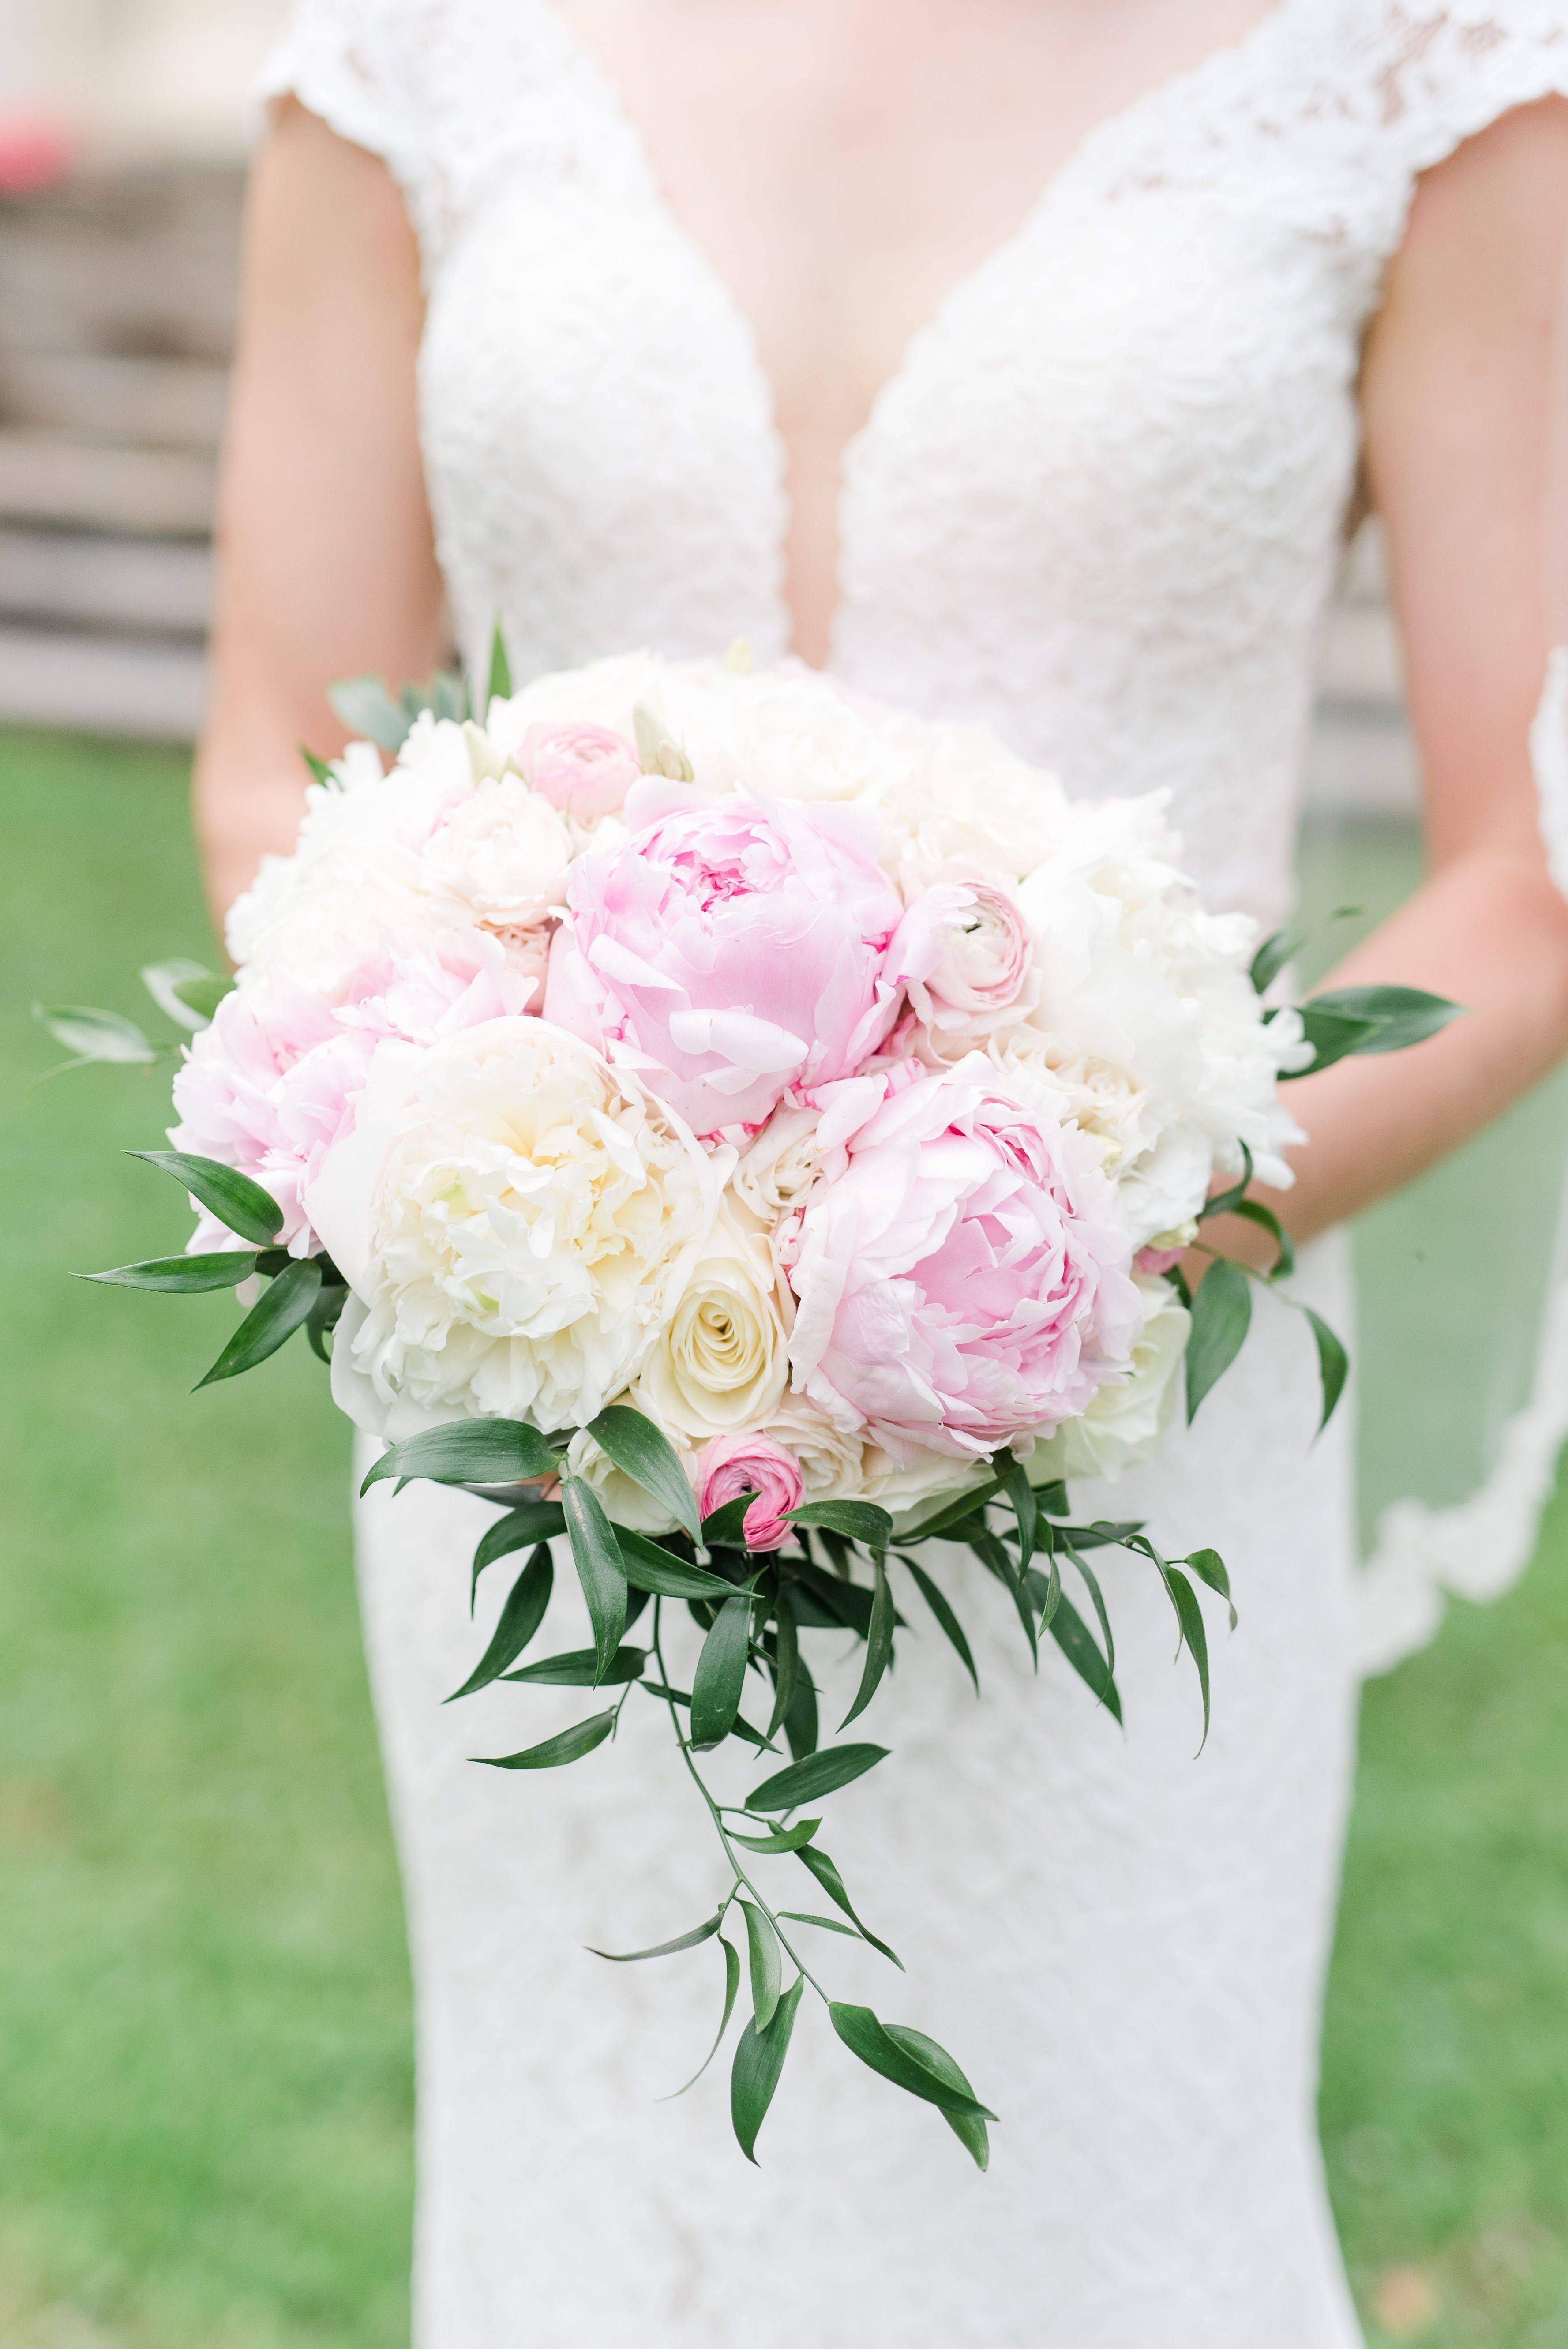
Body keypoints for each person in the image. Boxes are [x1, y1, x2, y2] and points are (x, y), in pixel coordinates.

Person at [194, 3, 1568, 2342]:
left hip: (1123, 1403)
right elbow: (269, 745)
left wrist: (1016, 1280)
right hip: (569, 1415)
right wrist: (510, 1194)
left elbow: (1524, 878)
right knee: (597, 2225)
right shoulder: (404, 44)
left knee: (1098, 2221)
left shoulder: (1418, 57)